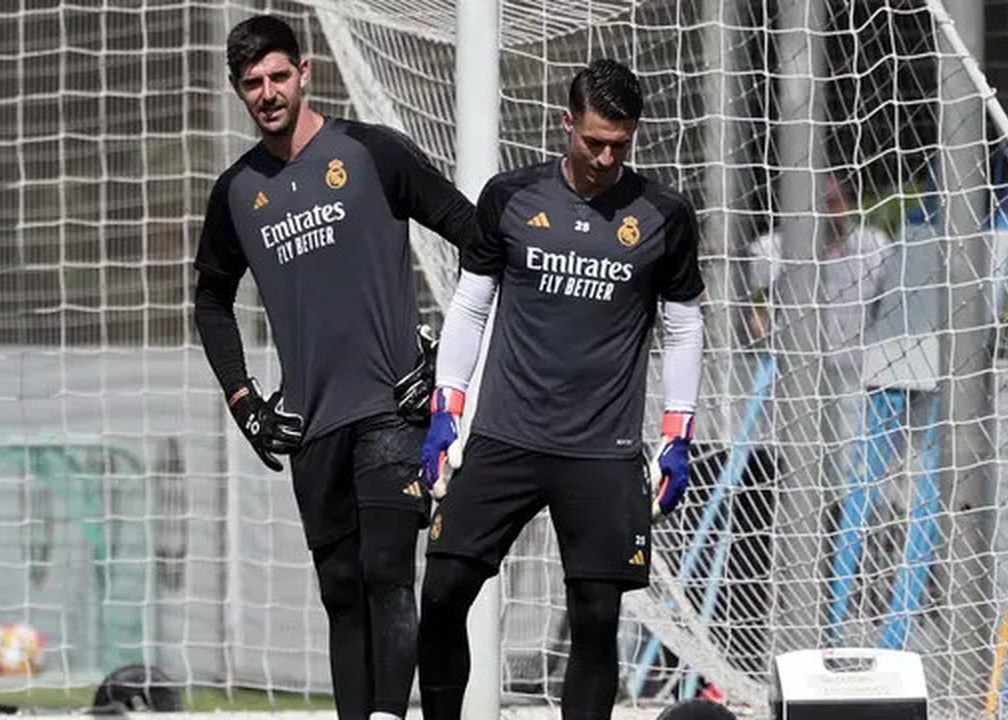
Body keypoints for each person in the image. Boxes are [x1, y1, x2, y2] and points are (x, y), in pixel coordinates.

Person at [192, 15, 478, 720]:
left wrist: (447, 358)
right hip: (312, 425)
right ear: (238, 90)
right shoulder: (235, 193)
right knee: (340, 593)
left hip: (391, 411)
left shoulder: (373, 151)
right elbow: (210, 303)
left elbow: (479, 241)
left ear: (305, 72)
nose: (267, 92)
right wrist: (244, 402)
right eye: (252, 83)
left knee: (388, 573)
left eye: (278, 76)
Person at [415, 58, 706, 719]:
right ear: (566, 124)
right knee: (441, 592)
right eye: (594, 140)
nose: (606, 157)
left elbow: (685, 326)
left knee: (597, 618)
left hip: (602, 450)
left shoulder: (663, 216)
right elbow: (468, 307)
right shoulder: (509, 198)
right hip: (503, 437)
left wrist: (676, 435)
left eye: (620, 144)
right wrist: (445, 412)